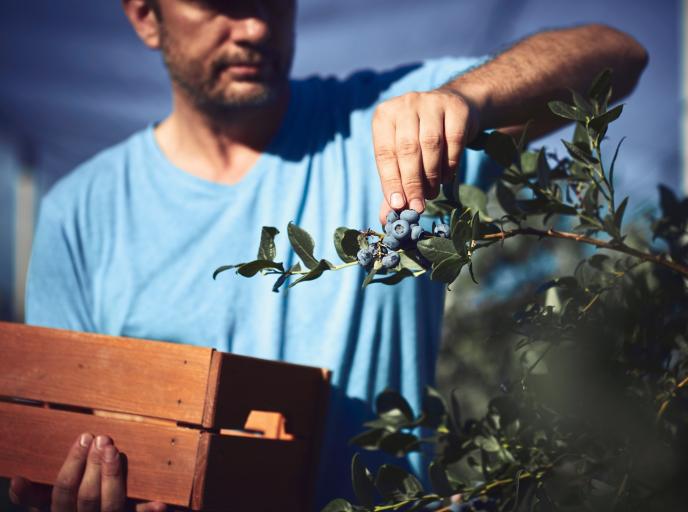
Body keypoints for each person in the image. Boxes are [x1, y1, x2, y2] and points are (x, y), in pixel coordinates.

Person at [9, 0, 648, 509]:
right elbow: (62, 438)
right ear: (146, 16)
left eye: (272, 0)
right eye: (221, 4)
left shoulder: (389, 127)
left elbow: (618, 57)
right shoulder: (80, 214)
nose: (255, 25)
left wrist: (469, 99)